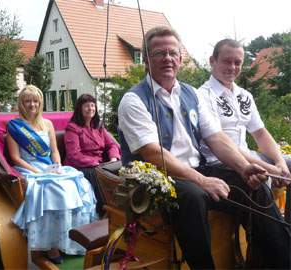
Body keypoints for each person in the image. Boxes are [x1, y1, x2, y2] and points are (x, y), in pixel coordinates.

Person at [117, 26, 290, 269]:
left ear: (180, 58)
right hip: (159, 177)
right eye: (159, 53)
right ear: (146, 59)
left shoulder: (190, 94)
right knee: (193, 196)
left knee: (254, 186)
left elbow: (216, 138)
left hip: (197, 170)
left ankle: (280, 260)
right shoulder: (134, 99)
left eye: (172, 53)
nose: (167, 58)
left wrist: (244, 167)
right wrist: (201, 180)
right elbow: (153, 153)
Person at [6, 85, 97, 263]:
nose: (32, 104)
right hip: (29, 167)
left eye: (35, 101)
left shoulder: (47, 124)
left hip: (49, 166)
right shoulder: (14, 126)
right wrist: (37, 171)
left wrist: (57, 167)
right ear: (21, 103)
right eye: (27, 101)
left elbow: (55, 151)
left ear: (40, 103)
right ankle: (51, 245)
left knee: (79, 184)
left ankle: (74, 240)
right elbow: (15, 158)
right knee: (54, 189)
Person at [198, 39, 291, 180]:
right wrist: (269, 168)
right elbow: (222, 144)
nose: (232, 67)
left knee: (288, 165)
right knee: (264, 177)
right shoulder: (202, 96)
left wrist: (280, 162)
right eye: (227, 61)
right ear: (212, 60)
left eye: (237, 63)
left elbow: (260, 133)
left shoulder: (244, 95)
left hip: (250, 156)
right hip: (221, 162)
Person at [64, 94, 121, 214]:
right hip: (82, 166)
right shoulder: (72, 128)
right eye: (86, 106)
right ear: (79, 108)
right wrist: (96, 163)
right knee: (99, 175)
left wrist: (114, 158)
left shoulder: (98, 126)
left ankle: (121, 207)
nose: (90, 108)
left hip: (101, 164)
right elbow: (74, 155)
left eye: (92, 105)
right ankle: (104, 210)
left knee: (122, 169)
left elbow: (112, 144)